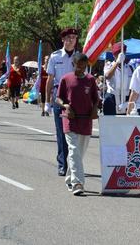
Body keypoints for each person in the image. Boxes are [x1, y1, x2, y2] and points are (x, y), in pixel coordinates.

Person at [55, 53, 99, 196]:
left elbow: (96, 99)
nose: (81, 67)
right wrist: (66, 106)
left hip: (86, 120)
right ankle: (78, 183)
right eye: (78, 64)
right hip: (70, 119)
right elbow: (58, 99)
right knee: (73, 151)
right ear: (73, 64)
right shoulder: (66, 79)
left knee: (79, 153)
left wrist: (94, 110)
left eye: (84, 65)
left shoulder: (90, 80)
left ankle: (69, 179)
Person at [46, 27, 78, 176]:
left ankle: (74, 164)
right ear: (63, 40)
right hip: (59, 96)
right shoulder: (55, 56)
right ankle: (62, 164)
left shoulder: (80, 57)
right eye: (69, 37)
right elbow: (50, 80)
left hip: (76, 97)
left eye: (74, 37)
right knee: (61, 132)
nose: (72, 40)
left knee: (75, 133)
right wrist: (47, 102)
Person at [103, 42, 132, 115]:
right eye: (117, 53)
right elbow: (107, 76)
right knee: (110, 123)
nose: (120, 55)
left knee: (125, 125)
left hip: (125, 98)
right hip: (111, 98)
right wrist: (117, 62)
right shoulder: (109, 65)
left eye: (122, 53)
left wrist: (128, 102)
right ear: (113, 55)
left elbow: (132, 86)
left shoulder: (130, 68)